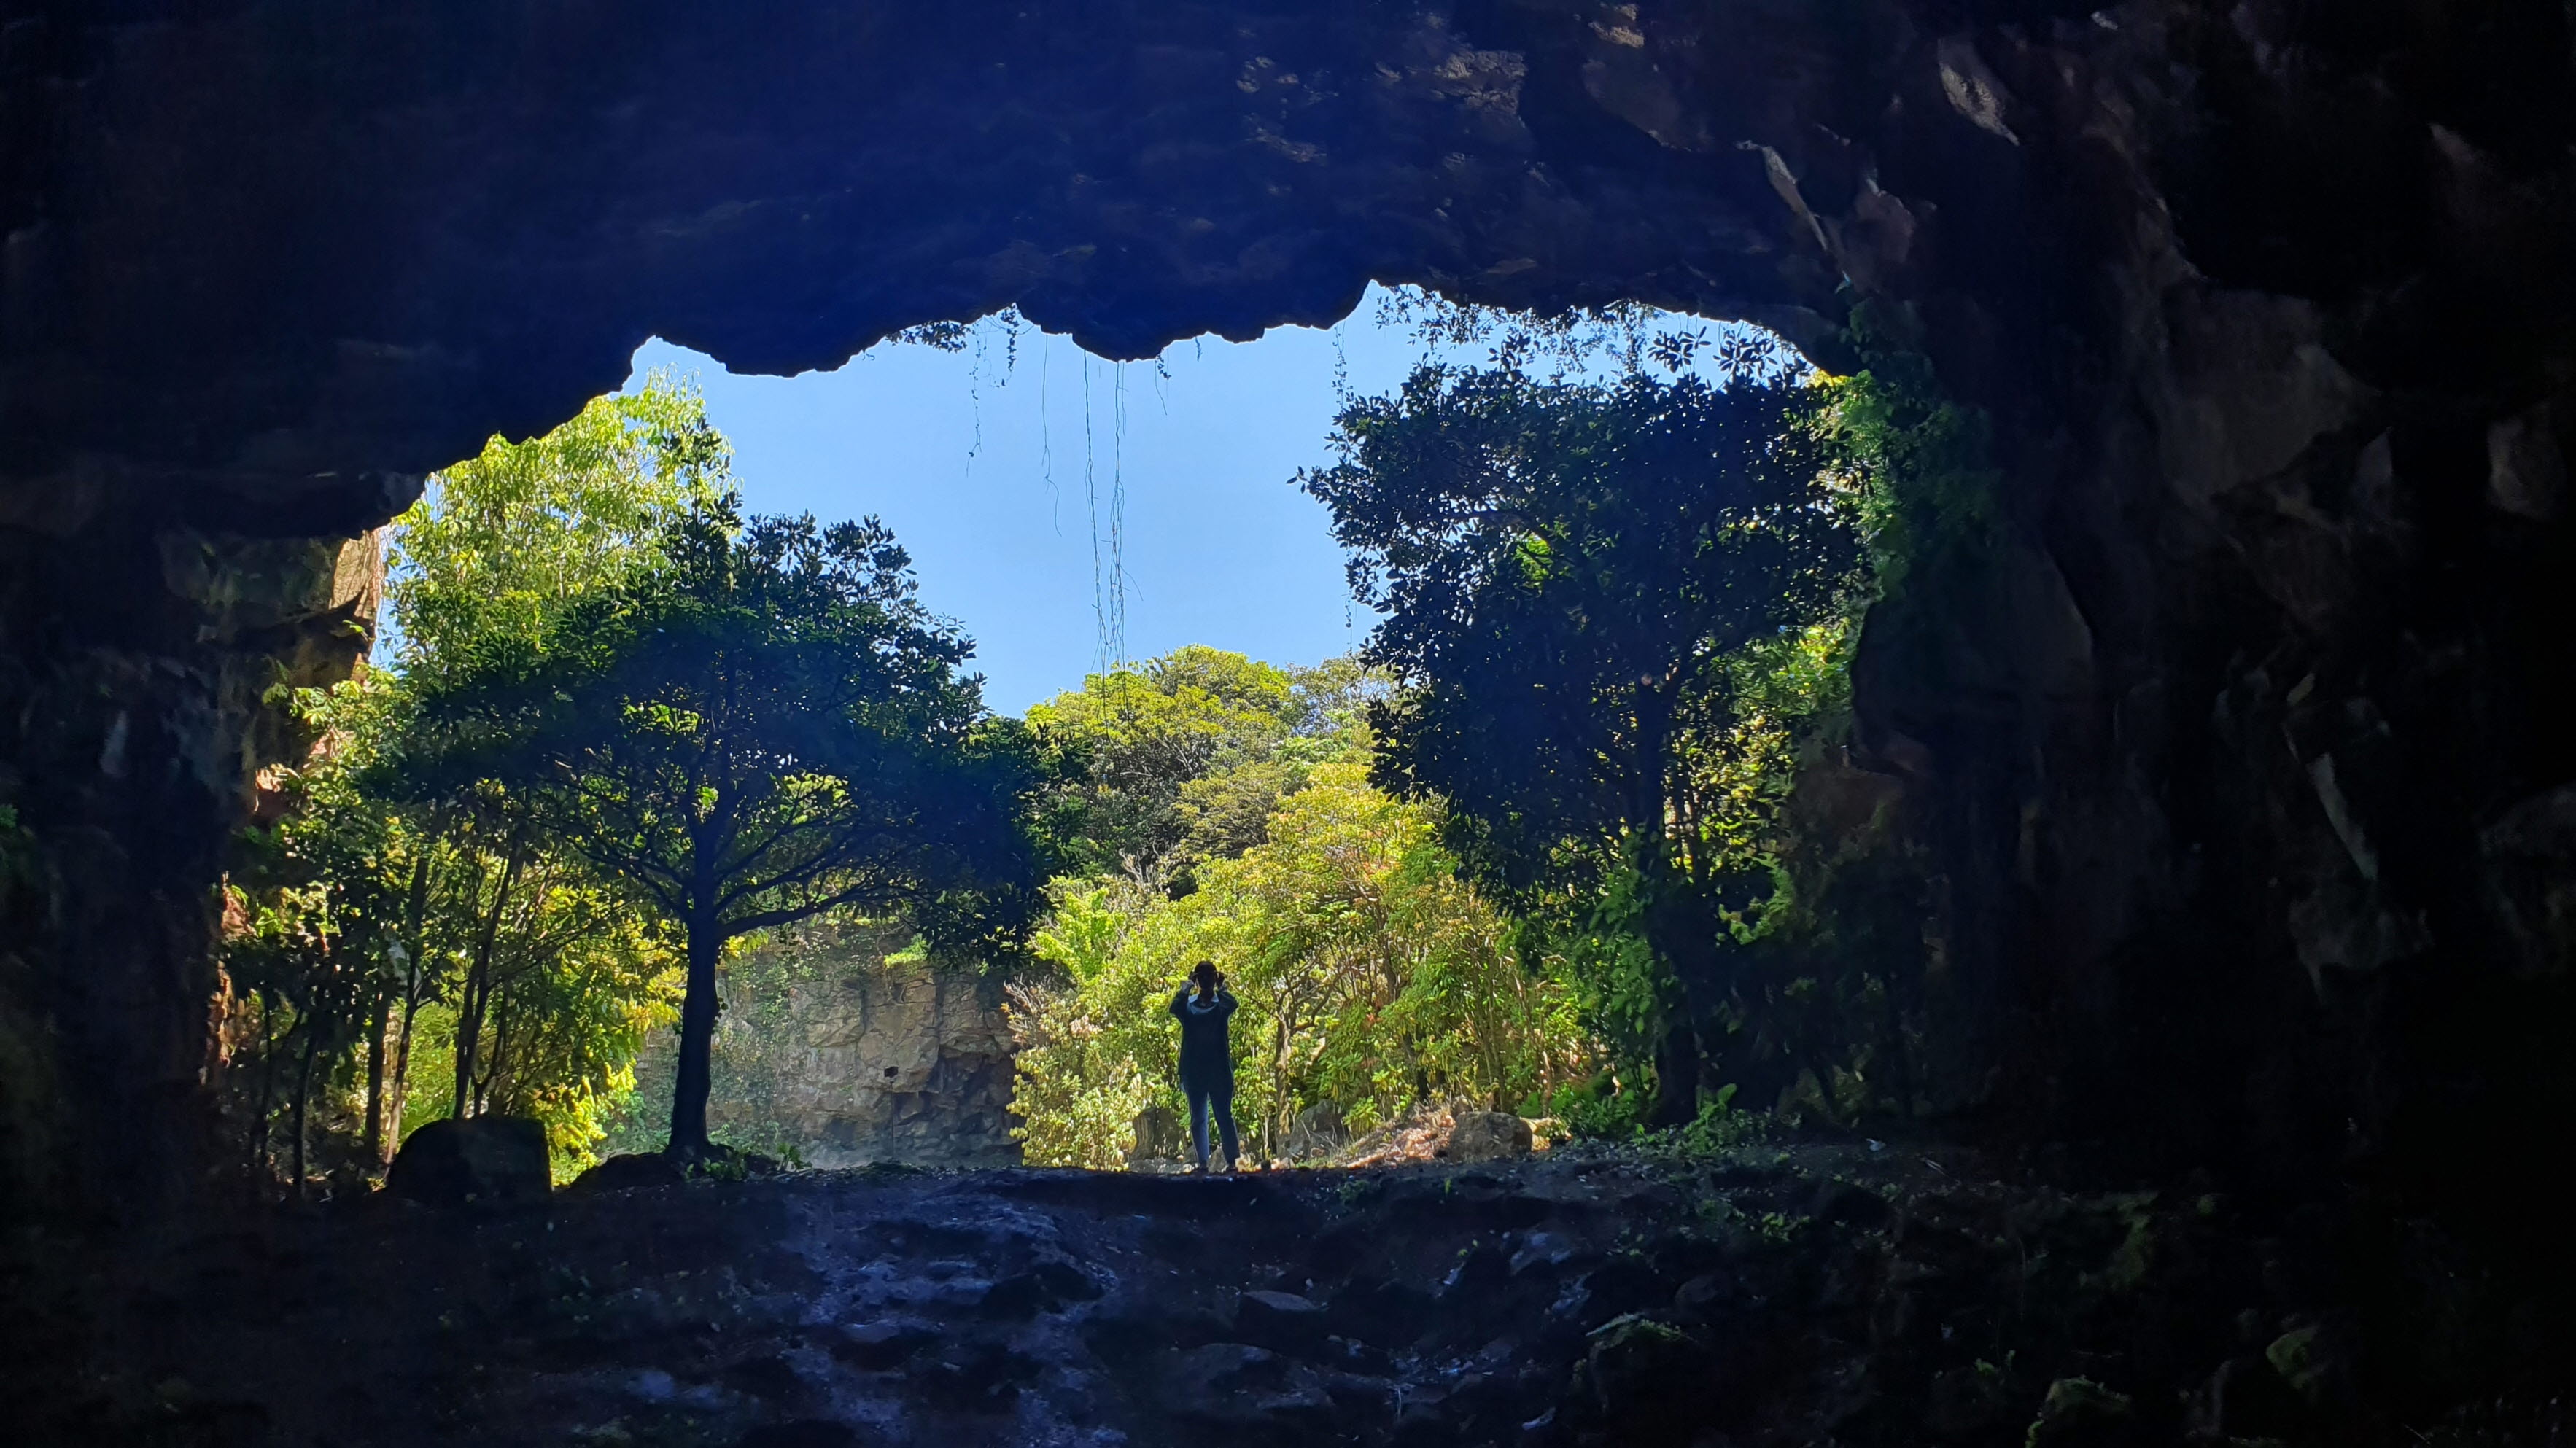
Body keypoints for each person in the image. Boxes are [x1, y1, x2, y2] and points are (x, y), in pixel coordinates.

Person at [1168, 960, 1239, 1173]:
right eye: (1203, 977)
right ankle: (1203, 1163)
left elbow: (1233, 1004)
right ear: (1197, 980)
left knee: (1223, 1116)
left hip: (1218, 1069)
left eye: (1211, 977)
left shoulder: (1221, 1005)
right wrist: (1185, 989)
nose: (1207, 981)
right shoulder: (1188, 1006)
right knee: (1198, 1118)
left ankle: (1232, 1162)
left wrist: (1222, 987)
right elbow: (1175, 1008)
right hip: (1195, 1070)